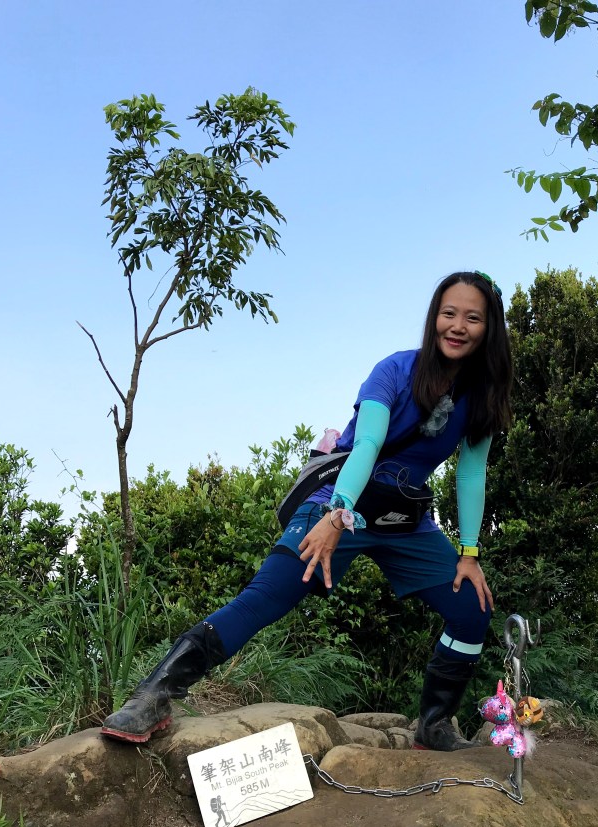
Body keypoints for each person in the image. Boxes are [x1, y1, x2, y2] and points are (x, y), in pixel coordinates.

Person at [102, 270, 513, 751]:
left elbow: (471, 474)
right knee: (266, 595)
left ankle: (434, 723)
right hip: (340, 501)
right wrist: (337, 516)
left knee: (471, 608)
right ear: (434, 318)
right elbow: (367, 445)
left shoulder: (481, 394)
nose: (458, 326)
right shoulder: (394, 371)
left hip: (403, 520)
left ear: (489, 327)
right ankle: (152, 696)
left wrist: (469, 553)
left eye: (472, 318)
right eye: (448, 313)